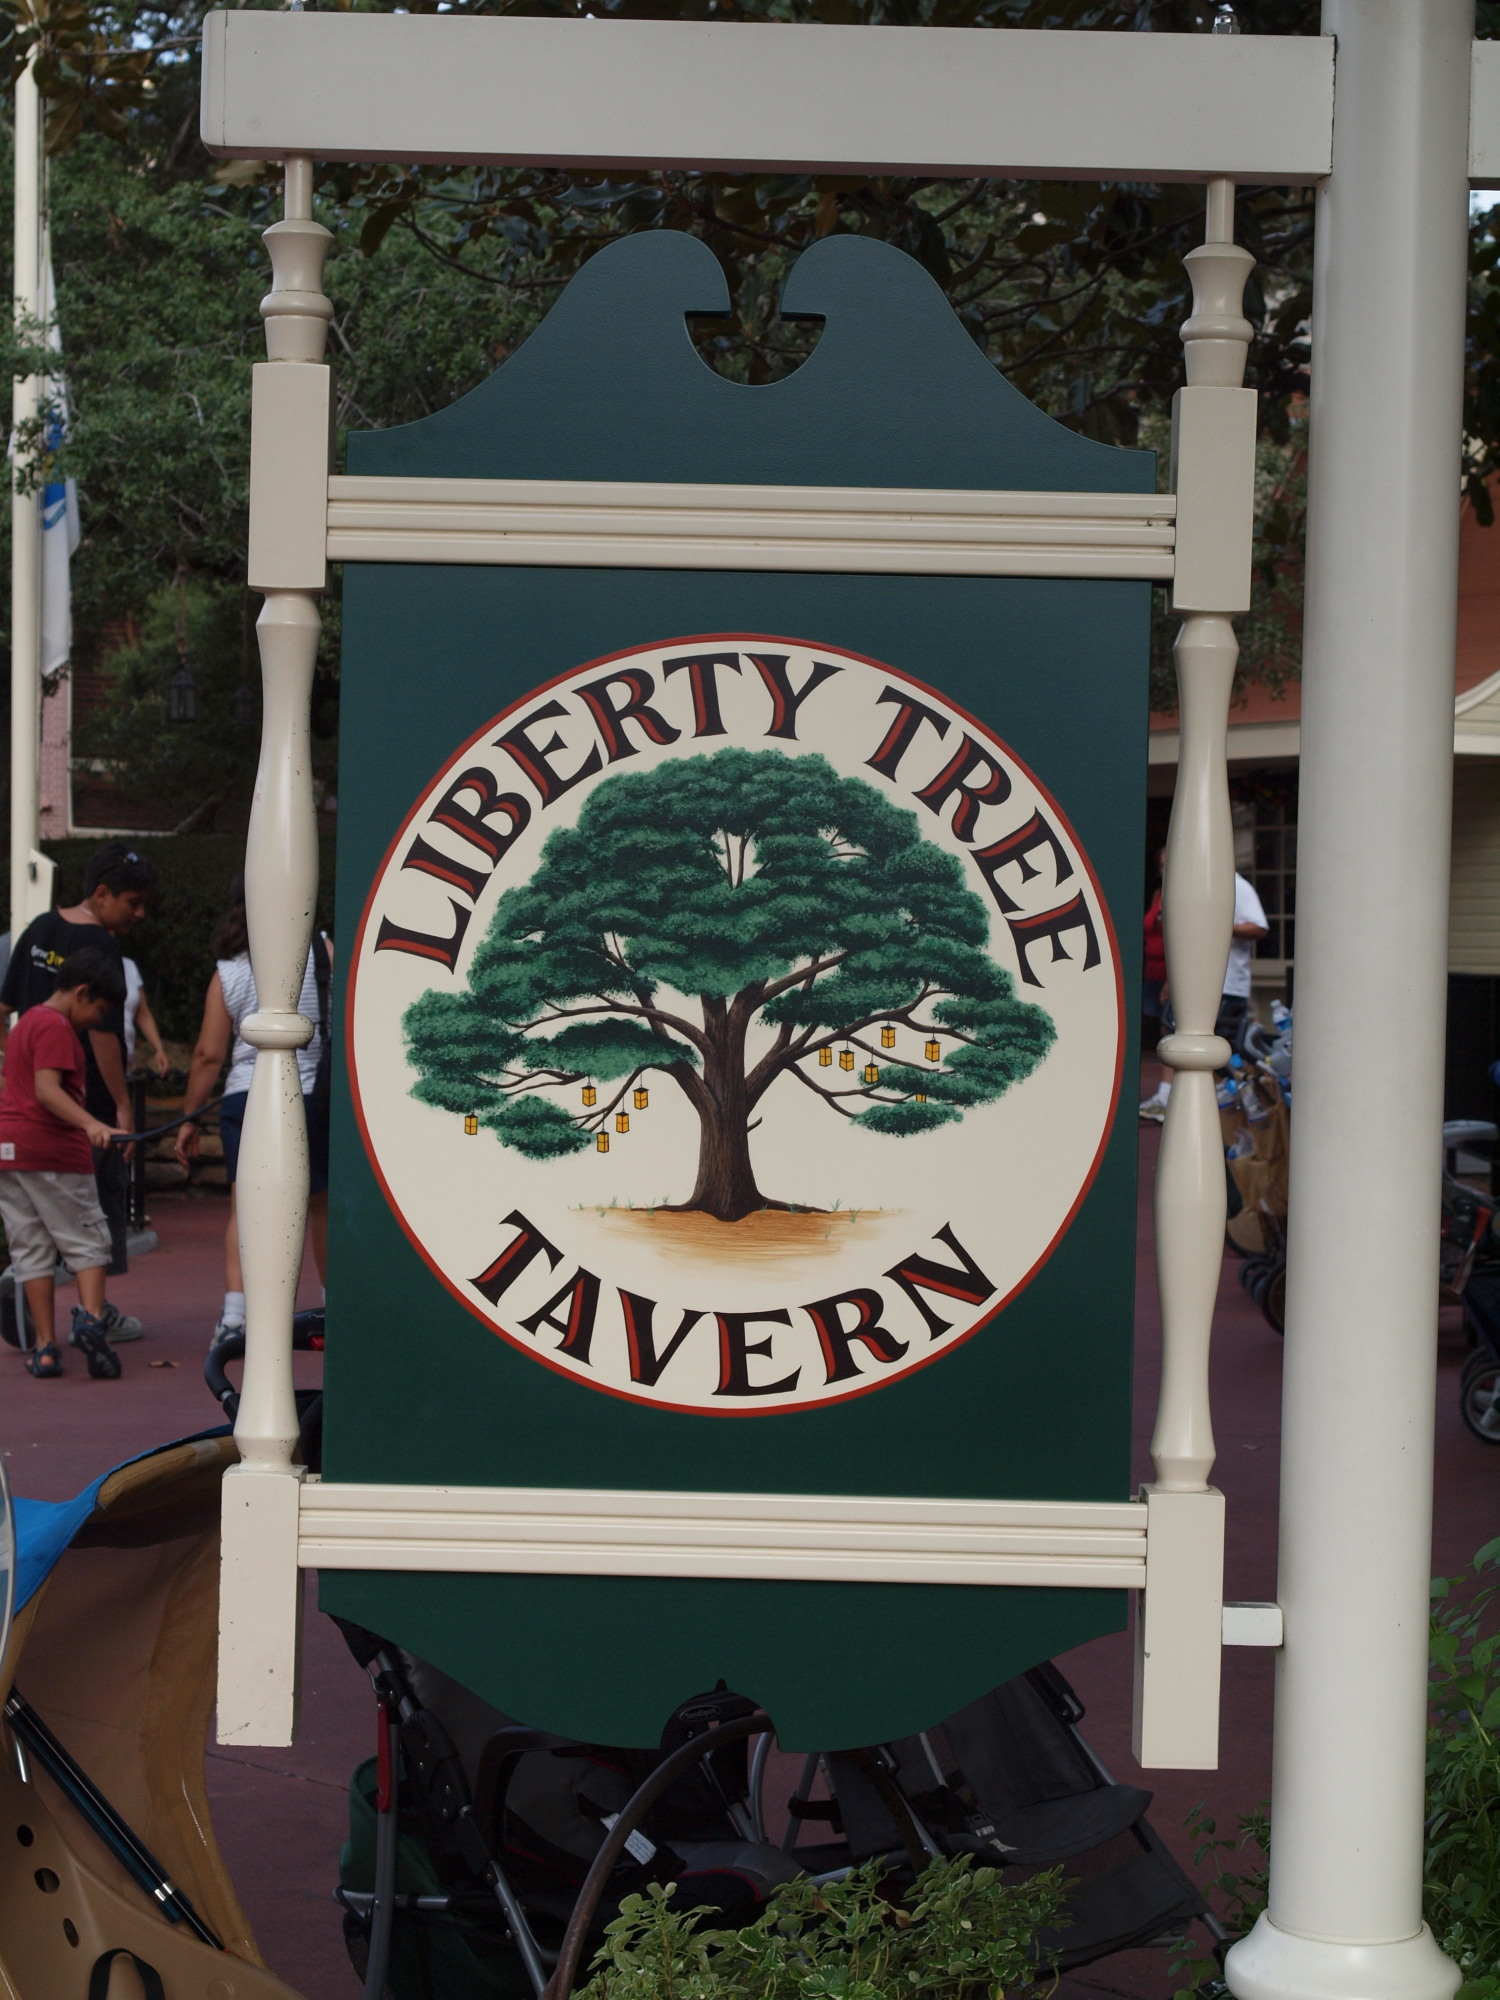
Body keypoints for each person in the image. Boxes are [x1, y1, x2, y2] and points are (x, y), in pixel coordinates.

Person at [0, 842, 160, 1338]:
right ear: (102, 893)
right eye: (133, 902)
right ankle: (94, 1319)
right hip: (77, 1106)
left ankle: (39, 1322)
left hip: (22, 1108)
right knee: (92, 1221)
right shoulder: (102, 946)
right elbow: (105, 1035)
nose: (139, 914)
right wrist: (116, 1108)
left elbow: (4, 1004)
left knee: (31, 1229)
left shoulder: (40, 928)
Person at [176, 886, 331, 1345]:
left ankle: (236, 1315)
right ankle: (330, 1307)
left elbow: (208, 1054)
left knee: (245, 1207)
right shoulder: (322, 951)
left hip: (247, 1096)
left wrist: (188, 1117)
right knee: (319, 1204)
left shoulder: (230, 972)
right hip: (310, 1094)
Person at [0, 949, 130, 1379]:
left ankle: (45, 1349)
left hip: (11, 1152)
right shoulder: (57, 1027)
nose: (97, 1018)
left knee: (31, 1249)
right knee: (87, 1240)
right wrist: (94, 1124)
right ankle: (91, 1321)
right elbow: (47, 1090)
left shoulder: (25, 1024)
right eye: (99, 1008)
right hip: (55, 1152)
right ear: (81, 992)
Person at [1140, 868, 1268, 1122]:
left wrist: (1219, 925)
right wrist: (1171, 980)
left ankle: (1238, 1103)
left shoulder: (1236, 885)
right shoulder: (1202, 882)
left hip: (1226, 983)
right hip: (1193, 979)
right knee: (1173, 1031)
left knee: (1219, 1046)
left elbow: (1259, 927)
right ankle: (1168, 1097)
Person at [122, 958, 171, 1078]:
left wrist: (158, 1048)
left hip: (126, 1056)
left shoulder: (129, 965)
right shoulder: (86, 961)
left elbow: (142, 1013)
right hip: (96, 1056)